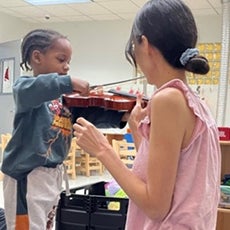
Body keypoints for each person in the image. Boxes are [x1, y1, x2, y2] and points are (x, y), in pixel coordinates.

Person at [72, 1, 221, 229]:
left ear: (145, 43)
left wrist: (102, 149)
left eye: (134, 45)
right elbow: (171, 177)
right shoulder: (196, 102)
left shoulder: (167, 99)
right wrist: (137, 129)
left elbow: (156, 206)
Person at [1, 29, 128, 230]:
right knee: (24, 227)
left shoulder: (66, 101)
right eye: (61, 60)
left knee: (45, 224)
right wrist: (67, 82)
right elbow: (33, 89)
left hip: (52, 175)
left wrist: (121, 115)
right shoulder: (25, 88)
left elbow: (90, 115)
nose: (67, 67)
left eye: (68, 61)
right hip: (25, 177)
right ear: (37, 57)